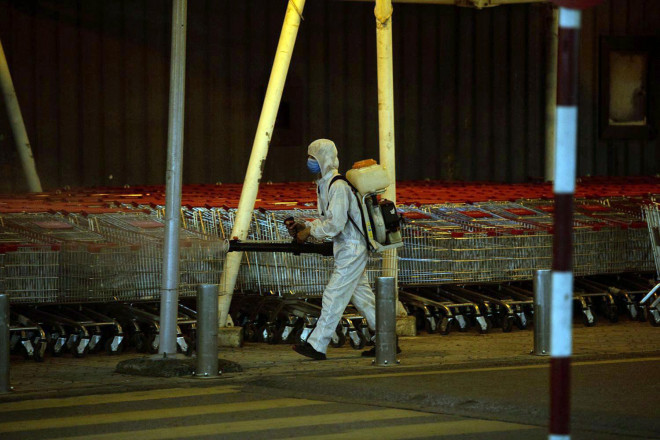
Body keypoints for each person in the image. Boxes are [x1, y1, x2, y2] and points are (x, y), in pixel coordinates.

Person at [288, 139, 378, 360]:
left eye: (313, 157)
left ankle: (317, 345)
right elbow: (329, 220)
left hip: (352, 248)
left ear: (323, 159)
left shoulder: (337, 186)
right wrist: (306, 226)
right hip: (347, 247)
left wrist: (310, 231)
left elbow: (335, 224)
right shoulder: (325, 184)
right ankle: (387, 339)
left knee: (333, 295)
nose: (309, 161)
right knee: (362, 297)